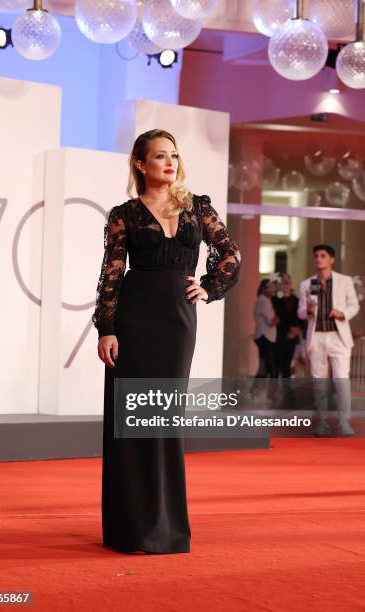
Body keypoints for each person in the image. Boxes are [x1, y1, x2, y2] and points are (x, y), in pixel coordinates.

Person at [92, 128, 241, 554]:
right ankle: (132, 527)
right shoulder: (125, 213)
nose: (170, 163)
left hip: (177, 322)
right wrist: (107, 328)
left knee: (164, 418)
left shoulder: (197, 207)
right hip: (135, 320)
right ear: (140, 164)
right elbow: (112, 274)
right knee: (133, 419)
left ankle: (167, 527)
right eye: (160, 156)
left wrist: (210, 288)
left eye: (174, 155)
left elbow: (230, 253)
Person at [297, 244, 360, 437]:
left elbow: (354, 305)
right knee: (319, 382)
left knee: (341, 380)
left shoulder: (344, 281)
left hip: (338, 336)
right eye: (316, 255)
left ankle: (344, 422)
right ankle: (322, 422)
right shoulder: (307, 284)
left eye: (323, 256)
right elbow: (300, 312)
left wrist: (343, 313)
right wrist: (308, 311)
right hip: (316, 337)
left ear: (331, 259)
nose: (318, 259)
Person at [272, 274, 302, 379]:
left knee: (287, 365)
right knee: (276, 365)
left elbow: (300, 316)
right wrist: (289, 328)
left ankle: (287, 393)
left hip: (292, 337)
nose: (286, 284)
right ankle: (274, 392)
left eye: (288, 282)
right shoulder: (276, 299)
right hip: (280, 335)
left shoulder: (296, 300)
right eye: (284, 282)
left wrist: (298, 329)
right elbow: (277, 317)